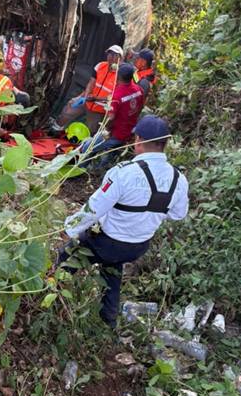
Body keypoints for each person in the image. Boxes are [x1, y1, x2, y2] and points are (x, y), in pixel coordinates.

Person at [57, 115, 189, 328]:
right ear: (165, 144)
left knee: (66, 256)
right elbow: (178, 214)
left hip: (107, 242)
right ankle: (108, 319)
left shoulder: (123, 173)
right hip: (137, 246)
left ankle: (49, 295)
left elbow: (94, 209)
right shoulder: (178, 179)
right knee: (113, 268)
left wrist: (70, 229)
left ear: (138, 140)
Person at [79, 63, 145, 170]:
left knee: (87, 147)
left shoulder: (117, 94)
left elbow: (111, 117)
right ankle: (100, 167)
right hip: (130, 131)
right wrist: (96, 98)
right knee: (107, 151)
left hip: (116, 134)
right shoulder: (139, 90)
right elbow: (140, 107)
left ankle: (80, 169)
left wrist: (107, 130)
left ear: (118, 76)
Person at [54, 44, 123, 133]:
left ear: (120, 58)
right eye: (109, 53)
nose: (111, 57)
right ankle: (55, 129)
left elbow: (114, 97)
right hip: (88, 99)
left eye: (114, 55)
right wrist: (83, 97)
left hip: (100, 109)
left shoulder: (120, 75)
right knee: (69, 107)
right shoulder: (100, 65)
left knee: (91, 131)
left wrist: (96, 99)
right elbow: (91, 83)